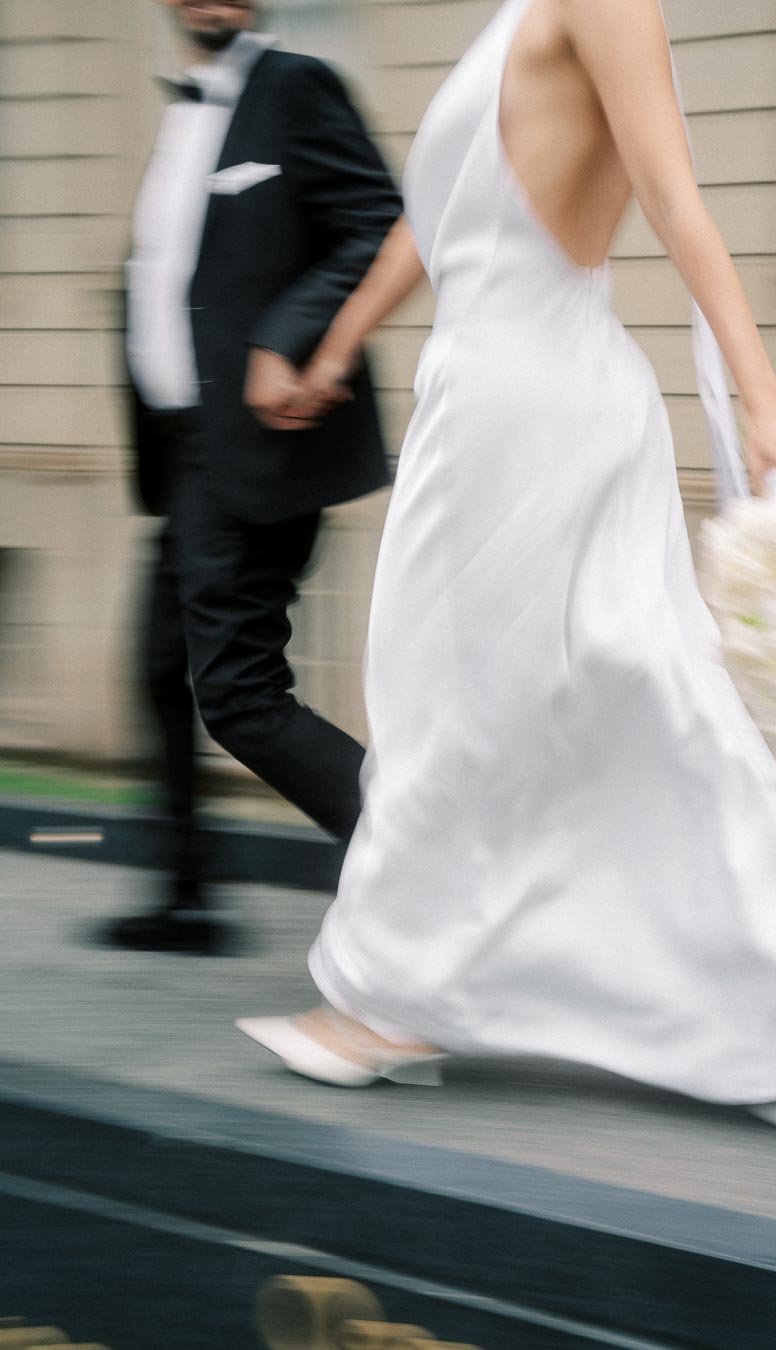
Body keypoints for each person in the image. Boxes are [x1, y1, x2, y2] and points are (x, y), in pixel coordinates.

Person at [237, 0, 776, 1131]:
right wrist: (339, 346)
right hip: (482, 398)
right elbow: (429, 223)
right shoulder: (518, 18)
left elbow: (673, 193)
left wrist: (764, 400)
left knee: (579, 689)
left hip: (536, 402)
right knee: (491, 698)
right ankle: (435, 988)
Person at [105, 0, 402, 952]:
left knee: (239, 694)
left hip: (258, 441)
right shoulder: (187, 113)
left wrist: (287, 338)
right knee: (160, 670)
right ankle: (188, 896)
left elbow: (381, 225)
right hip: (183, 453)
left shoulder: (297, 87)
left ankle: (437, 867)